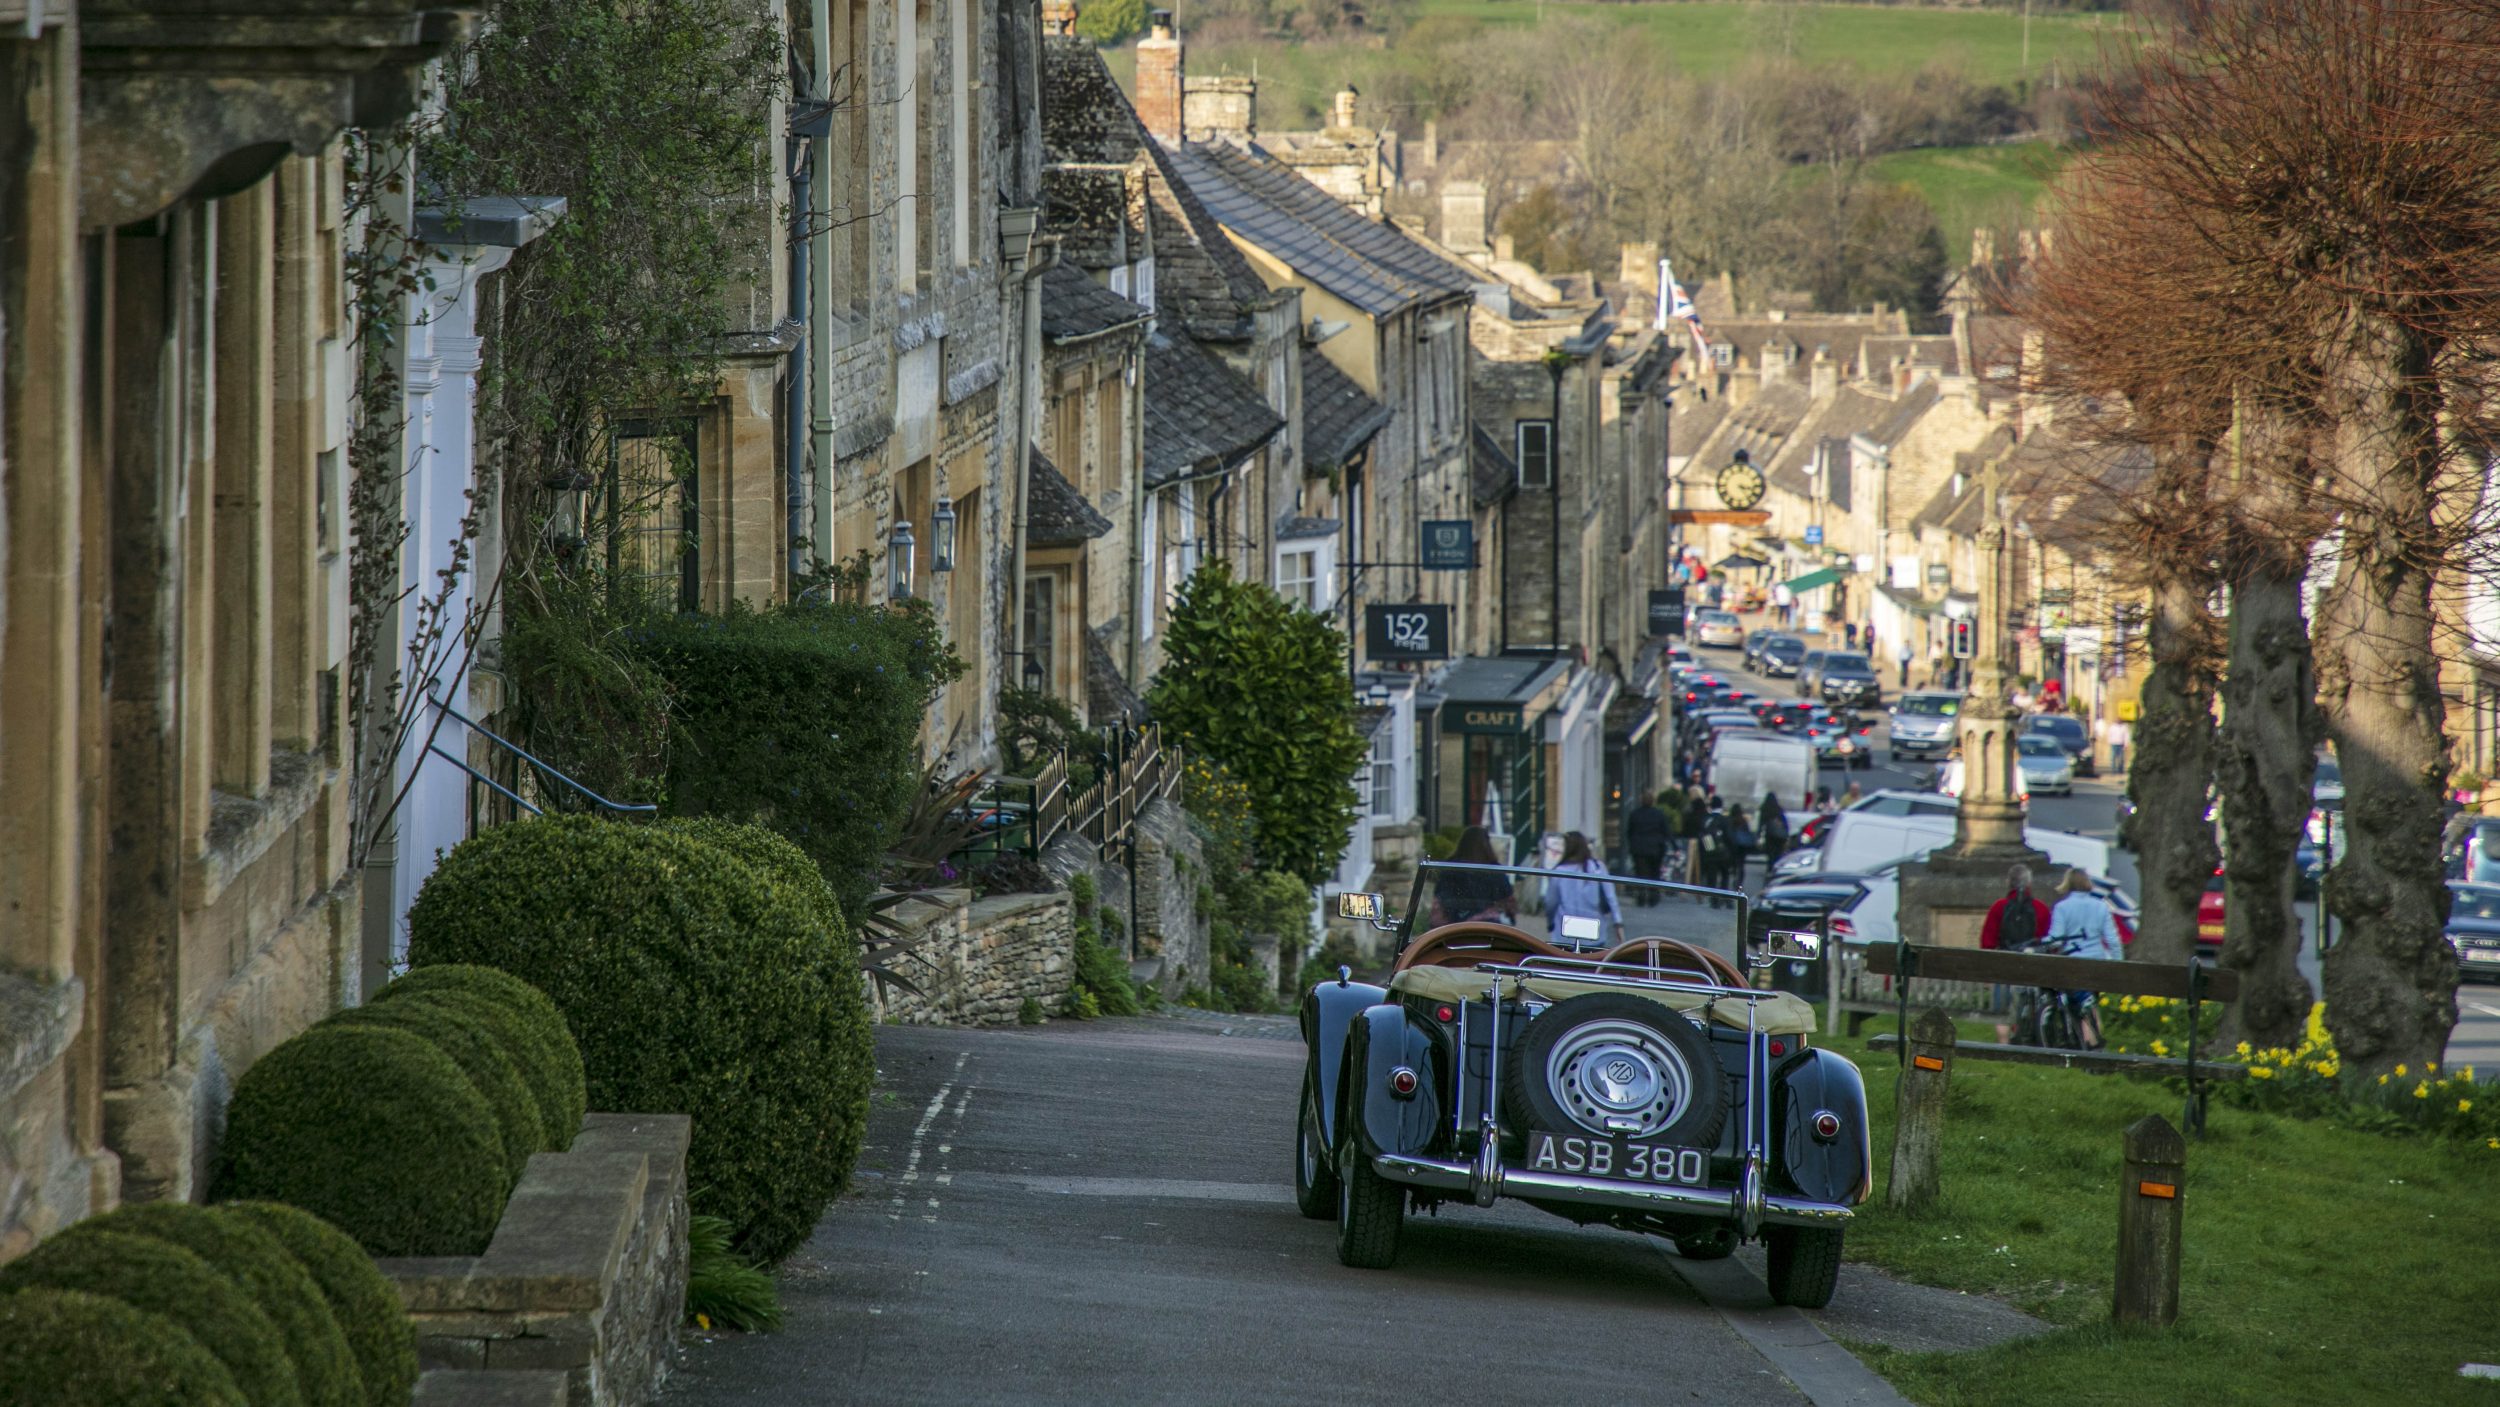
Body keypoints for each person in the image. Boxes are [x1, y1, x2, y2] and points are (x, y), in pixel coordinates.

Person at [2046, 867, 2122, 1047]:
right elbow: (2112, 939)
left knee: (2081, 1004)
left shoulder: (2062, 907)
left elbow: (2056, 939)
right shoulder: (2101, 906)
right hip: (2097, 962)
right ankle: (2093, 1042)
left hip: (2073, 962)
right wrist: (2118, 963)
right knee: (2090, 1004)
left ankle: (2088, 1044)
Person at [1980, 865, 2051, 1040]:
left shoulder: (1999, 907)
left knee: (2002, 1012)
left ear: (2008, 883)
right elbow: (2046, 941)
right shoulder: (2041, 908)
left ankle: (2004, 1044)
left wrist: (1987, 973)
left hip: (2004, 965)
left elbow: (1988, 941)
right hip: (2031, 966)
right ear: (2029, 884)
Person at [1544, 832, 1623, 950]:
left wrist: (1550, 923)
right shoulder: (1597, 867)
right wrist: (1618, 923)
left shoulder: (1559, 871)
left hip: (1564, 933)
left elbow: (1551, 902)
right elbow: (1610, 897)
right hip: (1594, 931)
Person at [1434, 826, 1516, 925]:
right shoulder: (1494, 870)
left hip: (1454, 927)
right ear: (1487, 845)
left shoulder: (1450, 867)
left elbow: (1439, 900)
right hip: (1489, 927)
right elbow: (1509, 903)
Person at [1625, 793, 1674, 905]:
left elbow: (1629, 832)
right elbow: (1666, 831)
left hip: (1639, 848)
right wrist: (1674, 846)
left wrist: (1632, 844)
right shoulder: (1659, 814)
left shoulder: (1635, 814)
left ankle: (1641, 896)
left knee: (1641, 873)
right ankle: (1653, 896)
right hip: (1655, 848)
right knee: (1654, 873)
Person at [1723, 805, 1758, 887]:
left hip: (1732, 846)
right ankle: (1739, 882)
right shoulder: (1743, 821)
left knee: (1733, 864)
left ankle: (1733, 877)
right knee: (1741, 865)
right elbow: (1747, 833)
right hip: (1742, 847)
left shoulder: (1729, 820)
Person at [1759, 793, 1791, 868]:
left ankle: (1770, 867)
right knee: (1778, 853)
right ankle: (1776, 867)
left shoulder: (1764, 809)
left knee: (1770, 853)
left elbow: (1761, 823)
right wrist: (1786, 834)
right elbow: (1785, 823)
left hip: (1770, 835)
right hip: (1780, 836)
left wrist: (1759, 835)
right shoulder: (1779, 809)